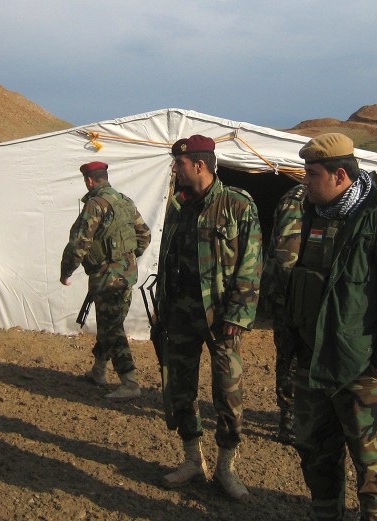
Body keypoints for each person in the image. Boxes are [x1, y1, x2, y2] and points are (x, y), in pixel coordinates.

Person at [287, 133, 377, 520]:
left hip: (361, 370)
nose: (305, 180)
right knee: (316, 454)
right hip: (315, 366)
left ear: (340, 175)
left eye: (312, 173)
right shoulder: (314, 217)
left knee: (372, 468)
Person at [154, 135, 262, 501]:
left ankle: (226, 466)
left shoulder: (237, 204)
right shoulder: (177, 205)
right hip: (180, 316)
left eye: (179, 164)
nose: (175, 169)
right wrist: (161, 306)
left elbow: (252, 263)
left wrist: (239, 312)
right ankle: (192, 460)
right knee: (180, 387)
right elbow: (165, 258)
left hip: (221, 318)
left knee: (227, 393)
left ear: (199, 165)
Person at [60, 161, 151, 399]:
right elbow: (145, 234)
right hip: (127, 274)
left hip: (107, 275)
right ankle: (99, 370)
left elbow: (80, 242)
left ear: (90, 181)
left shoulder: (95, 204)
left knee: (112, 326)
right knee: (109, 320)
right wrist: (127, 258)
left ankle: (130, 382)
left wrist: (66, 271)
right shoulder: (125, 201)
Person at [261, 183, 307, 444]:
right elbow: (287, 256)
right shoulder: (298, 201)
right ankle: (289, 419)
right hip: (289, 298)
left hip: (303, 297)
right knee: (291, 358)